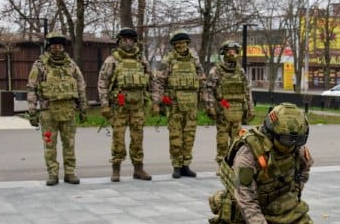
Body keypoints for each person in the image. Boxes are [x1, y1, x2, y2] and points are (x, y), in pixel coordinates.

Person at [189, 102, 314, 224]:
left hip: (271, 205)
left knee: (304, 223)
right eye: (286, 141)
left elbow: (303, 171)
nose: (292, 146)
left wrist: (286, 199)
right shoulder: (248, 154)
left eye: (298, 140)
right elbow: (247, 204)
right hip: (243, 210)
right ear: (272, 133)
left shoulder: (295, 149)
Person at [26, 31, 88, 186]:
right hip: (48, 112)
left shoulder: (71, 65)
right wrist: (32, 111)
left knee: (69, 143)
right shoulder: (40, 65)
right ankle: (52, 173)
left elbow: (81, 86)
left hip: (68, 111)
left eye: (60, 45)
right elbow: (31, 88)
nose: (57, 48)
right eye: (54, 45)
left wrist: (83, 107)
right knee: (49, 145)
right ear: (49, 46)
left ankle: (70, 172)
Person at [97, 27, 153, 182]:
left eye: (130, 40)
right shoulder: (112, 60)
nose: (128, 42)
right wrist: (104, 105)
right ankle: (116, 169)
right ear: (119, 41)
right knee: (118, 138)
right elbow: (102, 83)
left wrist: (155, 102)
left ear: (135, 42)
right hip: (119, 107)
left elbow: (151, 81)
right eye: (124, 40)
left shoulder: (141, 60)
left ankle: (138, 169)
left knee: (138, 138)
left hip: (138, 106)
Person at [152, 30, 206, 178]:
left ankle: (185, 165)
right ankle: (176, 165)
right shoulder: (168, 60)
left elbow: (202, 81)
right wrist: (157, 102)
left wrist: (206, 101)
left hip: (192, 105)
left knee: (189, 135)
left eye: (183, 43)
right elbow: (158, 82)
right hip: (175, 104)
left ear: (187, 44)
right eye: (178, 44)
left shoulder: (194, 60)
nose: (181, 46)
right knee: (175, 135)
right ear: (174, 45)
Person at [204, 40, 254, 164]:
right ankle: (222, 162)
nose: (232, 53)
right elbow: (208, 89)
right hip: (222, 109)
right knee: (222, 137)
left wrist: (250, 107)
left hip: (237, 110)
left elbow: (247, 90)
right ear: (224, 53)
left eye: (235, 51)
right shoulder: (217, 70)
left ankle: (234, 162)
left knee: (237, 138)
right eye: (229, 51)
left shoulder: (240, 71)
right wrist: (210, 106)